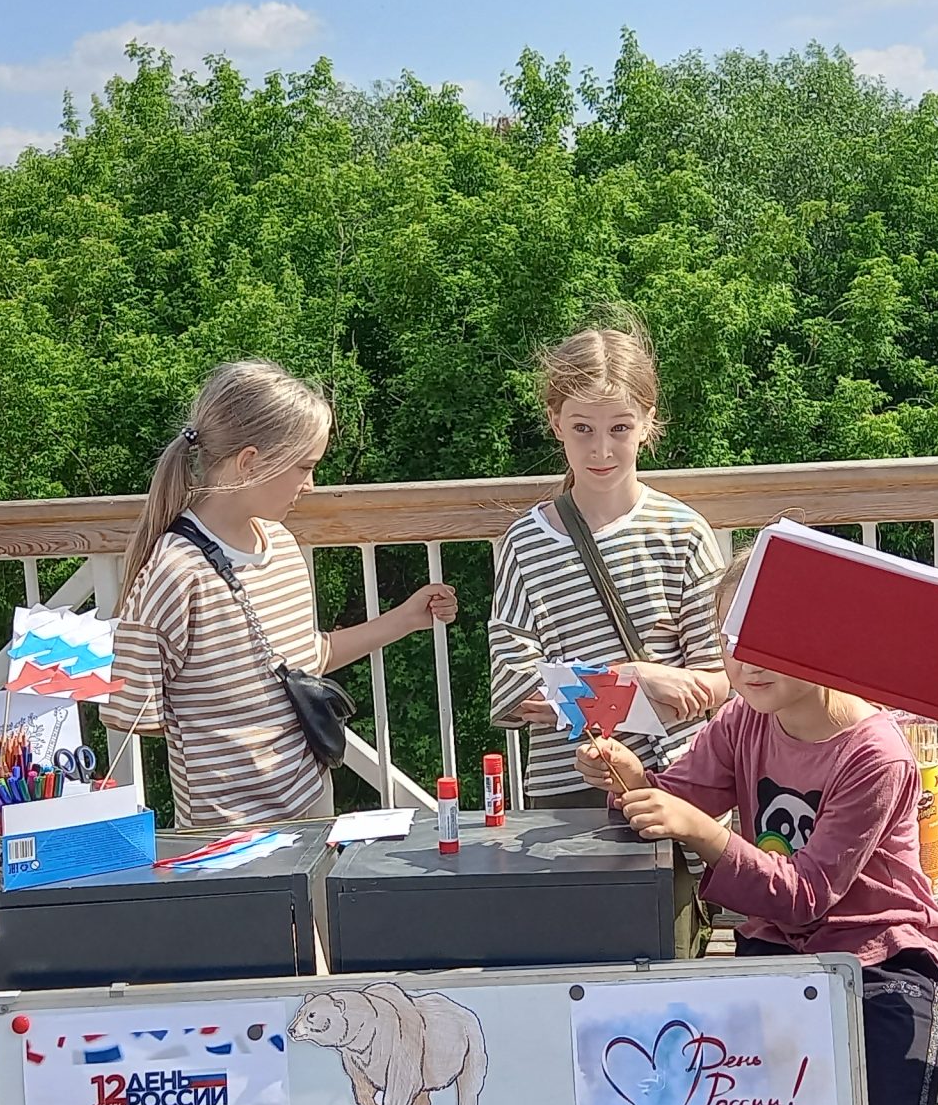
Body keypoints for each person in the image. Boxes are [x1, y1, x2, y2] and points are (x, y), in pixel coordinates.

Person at [576, 545, 938, 1105]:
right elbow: (674, 795)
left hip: (883, 968)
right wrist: (624, 779)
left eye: (773, 639)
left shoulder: (874, 753)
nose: (748, 660)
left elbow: (809, 895)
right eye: (732, 636)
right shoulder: (745, 722)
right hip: (777, 961)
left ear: (831, 643)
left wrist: (708, 834)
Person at [101, 359, 455, 830]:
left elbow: (306, 657)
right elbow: (127, 714)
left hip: (310, 799)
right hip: (227, 831)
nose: (311, 485)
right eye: (304, 467)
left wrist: (406, 618)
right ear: (249, 462)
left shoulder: (281, 543)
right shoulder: (174, 571)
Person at [488, 320, 730, 808]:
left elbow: (719, 679)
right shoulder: (524, 543)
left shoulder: (683, 531)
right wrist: (636, 677)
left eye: (619, 427)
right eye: (583, 429)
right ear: (556, 423)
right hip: (567, 793)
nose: (601, 450)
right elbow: (515, 693)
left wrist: (581, 690)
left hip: (675, 788)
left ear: (647, 423)